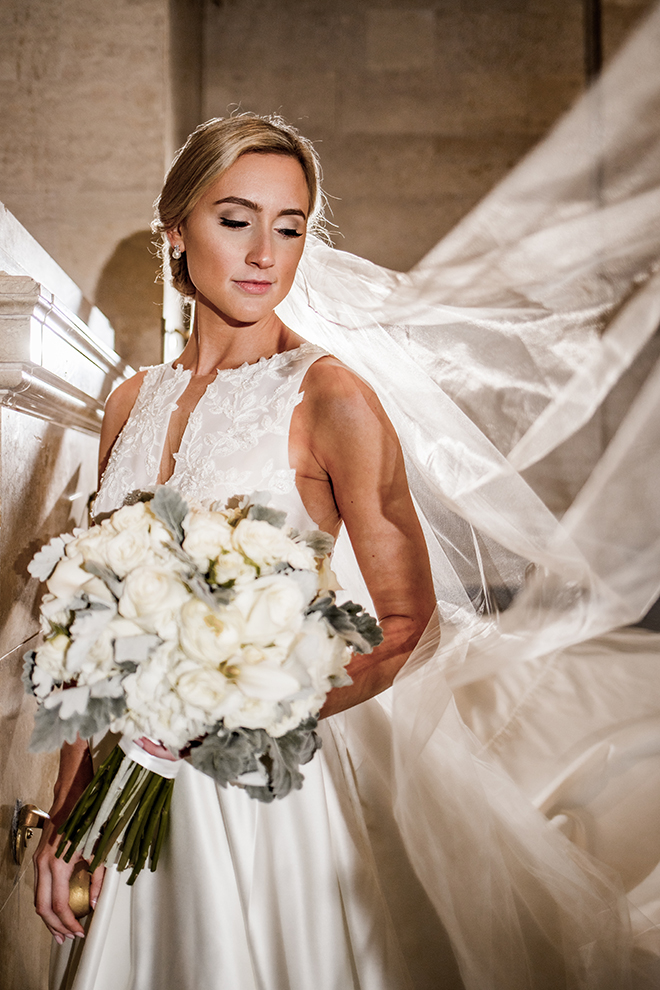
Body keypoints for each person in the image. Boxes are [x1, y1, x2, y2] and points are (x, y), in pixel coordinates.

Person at [32, 7, 660, 983]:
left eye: (288, 228)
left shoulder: (331, 397)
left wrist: (251, 716)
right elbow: (88, 634)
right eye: (235, 220)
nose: (263, 253)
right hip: (129, 777)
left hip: (260, 784)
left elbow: (406, 622)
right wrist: (70, 814)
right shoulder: (127, 403)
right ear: (176, 231)